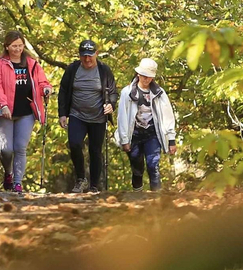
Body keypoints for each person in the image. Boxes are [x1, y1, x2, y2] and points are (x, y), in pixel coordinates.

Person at [0, 30, 52, 193]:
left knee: (20, 147)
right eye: (14, 46)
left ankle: (17, 182)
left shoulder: (32, 64)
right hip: (5, 113)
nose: (17, 49)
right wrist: (3, 105)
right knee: (6, 149)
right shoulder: (0, 65)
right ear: (7, 46)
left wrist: (46, 89)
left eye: (20, 46)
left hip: (26, 112)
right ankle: (8, 172)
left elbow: (43, 81)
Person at [57, 40, 117, 193]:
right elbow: (63, 91)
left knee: (95, 150)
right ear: (79, 55)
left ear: (96, 54)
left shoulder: (104, 70)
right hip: (77, 115)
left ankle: (94, 186)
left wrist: (111, 105)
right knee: (75, 144)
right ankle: (81, 179)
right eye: (84, 56)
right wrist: (62, 114)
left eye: (90, 56)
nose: (87, 59)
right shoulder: (73, 69)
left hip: (98, 117)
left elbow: (113, 92)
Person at [115, 57, 177, 192]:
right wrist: (125, 140)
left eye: (148, 76)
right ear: (138, 74)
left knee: (153, 165)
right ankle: (138, 195)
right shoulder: (127, 93)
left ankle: (157, 197)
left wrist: (171, 140)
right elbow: (123, 118)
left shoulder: (159, 94)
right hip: (134, 134)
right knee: (137, 168)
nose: (145, 79)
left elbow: (168, 117)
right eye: (143, 75)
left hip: (152, 133)